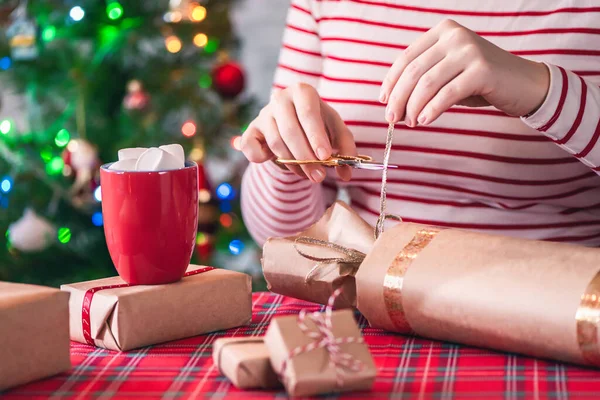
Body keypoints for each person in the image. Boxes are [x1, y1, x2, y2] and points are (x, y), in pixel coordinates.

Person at [240, 0, 600, 246]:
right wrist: (287, 162)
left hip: (563, 316)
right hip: (374, 313)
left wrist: (543, 90)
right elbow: (287, 240)